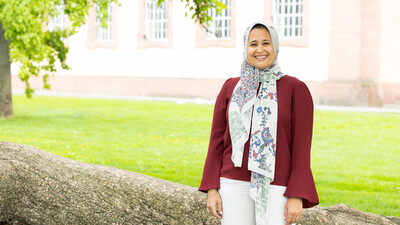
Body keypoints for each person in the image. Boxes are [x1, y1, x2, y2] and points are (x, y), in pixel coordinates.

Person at [198, 21, 319, 225]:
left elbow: (301, 148)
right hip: (232, 183)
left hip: (277, 185)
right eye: (253, 44)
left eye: (266, 43)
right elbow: (216, 141)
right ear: (246, 48)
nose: (260, 50)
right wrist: (212, 189)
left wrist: (296, 194)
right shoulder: (230, 87)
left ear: (276, 47)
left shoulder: (295, 89)